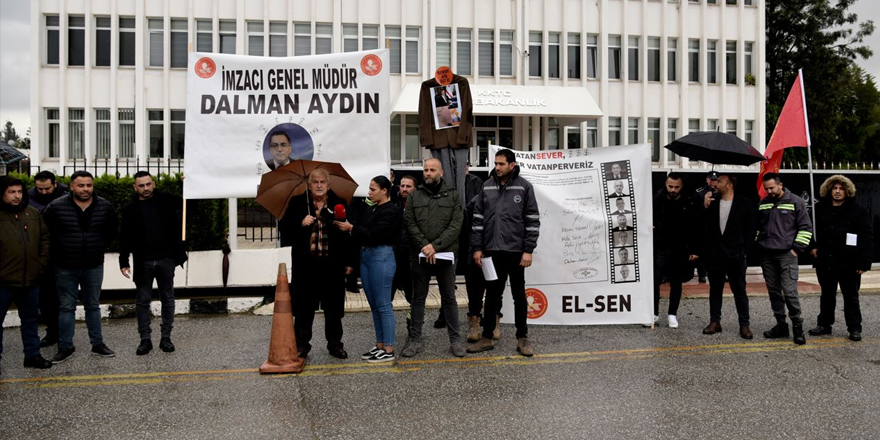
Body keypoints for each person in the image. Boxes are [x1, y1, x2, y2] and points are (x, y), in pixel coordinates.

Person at [468, 149, 541, 357]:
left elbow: (532, 220)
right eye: (496, 163)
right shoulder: (487, 186)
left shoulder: (524, 187)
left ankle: (522, 339)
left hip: (516, 252)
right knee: (492, 295)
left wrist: (528, 250)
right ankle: (487, 338)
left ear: (512, 165)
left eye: (501, 164)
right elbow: (478, 219)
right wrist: (478, 247)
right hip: (492, 251)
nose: (497, 167)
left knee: (519, 296)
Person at [278, 168, 354, 359]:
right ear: (309, 185)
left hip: (332, 265)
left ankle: (335, 345)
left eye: (322, 182)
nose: (319, 185)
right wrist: (300, 222)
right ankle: (302, 345)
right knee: (304, 308)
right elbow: (284, 231)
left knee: (333, 309)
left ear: (328, 184)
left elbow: (346, 236)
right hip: (306, 265)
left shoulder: (339, 203)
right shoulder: (298, 203)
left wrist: (349, 262)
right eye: (315, 182)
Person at [43, 171, 118, 363]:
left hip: (93, 265)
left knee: (93, 305)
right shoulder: (56, 207)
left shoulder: (104, 206)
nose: (85, 189)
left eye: (89, 185)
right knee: (66, 307)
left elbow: (110, 232)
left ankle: (98, 344)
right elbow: (45, 234)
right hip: (65, 265)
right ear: (71, 186)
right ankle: (65, 347)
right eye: (81, 185)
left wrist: (97, 247)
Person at [118, 172, 188, 355]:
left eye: (148, 184)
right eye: (141, 185)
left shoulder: (166, 199)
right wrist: (123, 261)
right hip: (143, 261)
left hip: (166, 259)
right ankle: (145, 339)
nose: (146, 188)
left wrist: (186, 186)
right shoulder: (130, 208)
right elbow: (124, 236)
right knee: (142, 301)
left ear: (154, 184)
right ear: (135, 187)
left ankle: (166, 338)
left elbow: (189, 205)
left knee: (168, 298)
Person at [402, 158, 465, 358]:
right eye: (426, 170)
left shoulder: (453, 195)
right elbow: (409, 223)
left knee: (449, 298)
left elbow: (456, 224)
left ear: (441, 172)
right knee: (418, 298)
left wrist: (435, 246)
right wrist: (425, 246)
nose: (428, 173)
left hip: (445, 254)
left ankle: (455, 341)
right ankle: (415, 340)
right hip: (420, 254)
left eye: (432, 170)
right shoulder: (415, 196)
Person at [335, 176, 400, 363]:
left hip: (381, 256)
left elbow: (376, 234)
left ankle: (388, 348)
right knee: (374, 304)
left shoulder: (392, 210)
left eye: (373, 189)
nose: (369, 192)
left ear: (384, 191)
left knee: (383, 304)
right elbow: (361, 229)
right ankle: (380, 345)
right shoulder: (371, 208)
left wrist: (352, 228)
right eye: (369, 188)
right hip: (367, 257)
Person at [808, 175, 873, 342]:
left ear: (847, 191)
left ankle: (854, 328)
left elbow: (866, 237)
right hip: (826, 260)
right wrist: (812, 247)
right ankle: (824, 324)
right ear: (829, 190)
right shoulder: (819, 209)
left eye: (841, 188)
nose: (837, 191)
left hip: (849, 261)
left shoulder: (858, 210)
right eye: (834, 188)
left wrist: (864, 262)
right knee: (827, 295)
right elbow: (809, 230)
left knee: (851, 296)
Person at [0, 177, 53, 372]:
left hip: (30, 280)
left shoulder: (32, 213)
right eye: (11, 192)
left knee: (31, 320)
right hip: (3, 282)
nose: (17, 196)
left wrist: (41, 263)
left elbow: (45, 238)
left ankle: (32, 355)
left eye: (19, 192)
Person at [755, 173, 813, 345]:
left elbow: (806, 228)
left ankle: (797, 327)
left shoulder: (796, 201)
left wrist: (796, 249)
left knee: (789, 292)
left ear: (780, 185)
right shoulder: (763, 202)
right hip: (767, 255)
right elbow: (758, 227)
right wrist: (758, 244)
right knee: (773, 292)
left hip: (787, 255)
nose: (769, 191)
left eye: (772, 188)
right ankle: (781, 325)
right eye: (766, 189)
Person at [697, 174, 756, 339]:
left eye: (720, 181)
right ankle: (714, 321)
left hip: (736, 255)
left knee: (739, 290)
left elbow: (750, 231)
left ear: (729, 185)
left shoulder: (745, 204)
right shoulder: (712, 202)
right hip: (715, 255)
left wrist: (743, 251)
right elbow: (701, 226)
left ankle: (744, 325)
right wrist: (705, 206)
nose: (715, 183)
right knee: (715, 289)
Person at [27, 171, 67, 347]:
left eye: (47, 188)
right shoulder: (28, 198)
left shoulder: (66, 196)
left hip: (63, 253)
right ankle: (52, 332)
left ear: (55, 184)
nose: (43, 192)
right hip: (40, 254)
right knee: (45, 298)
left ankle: (64, 334)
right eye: (40, 189)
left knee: (63, 297)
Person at [650, 172, 695, 329]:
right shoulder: (657, 199)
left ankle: (672, 314)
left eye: (676, 187)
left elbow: (695, 226)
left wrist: (693, 249)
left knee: (676, 282)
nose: (673, 190)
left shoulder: (689, 200)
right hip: (660, 246)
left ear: (681, 186)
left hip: (680, 248)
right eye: (670, 186)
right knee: (655, 280)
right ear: (665, 184)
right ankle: (654, 313)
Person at [392, 175, 417, 306]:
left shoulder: (419, 205)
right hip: (394, 254)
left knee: (412, 294)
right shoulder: (393, 203)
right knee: (388, 293)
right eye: (402, 186)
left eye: (408, 186)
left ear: (415, 188)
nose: (405, 189)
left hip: (411, 255)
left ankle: (414, 317)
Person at [691, 171, 719, 283]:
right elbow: (694, 210)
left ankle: (720, 273)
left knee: (717, 251)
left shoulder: (722, 192)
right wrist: (705, 205)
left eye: (716, 180)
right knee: (702, 250)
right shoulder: (700, 192)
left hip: (717, 225)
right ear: (707, 180)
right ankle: (701, 274)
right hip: (703, 224)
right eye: (712, 180)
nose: (714, 182)